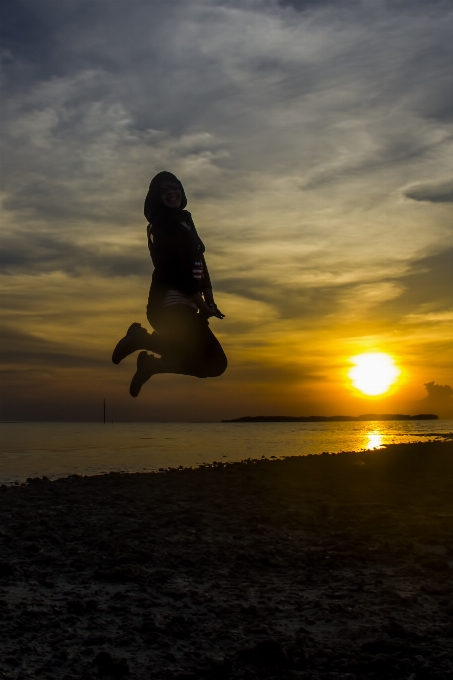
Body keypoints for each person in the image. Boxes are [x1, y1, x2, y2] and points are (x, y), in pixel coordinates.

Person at [112, 171, 228, 397]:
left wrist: (209, 298)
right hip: (169, 309)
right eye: (163, 190)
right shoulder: (163, 224)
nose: (171, 193)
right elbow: (175, 269)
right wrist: (200, 303)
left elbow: (199, 261)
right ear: (155, 197)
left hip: (187, 307)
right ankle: (140, 340)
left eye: (174, 187)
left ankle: (152, 365)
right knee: (213, 363)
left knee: (214, 364)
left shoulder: (184, 221)